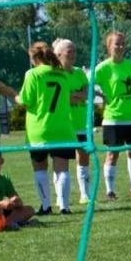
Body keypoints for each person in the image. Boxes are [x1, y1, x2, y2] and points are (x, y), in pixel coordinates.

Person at [17, 41, 76, 214]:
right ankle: (64, 207)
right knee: (62, 169)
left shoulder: (32, 74)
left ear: (34, 58)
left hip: (39, 129)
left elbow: (25, 101)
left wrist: (14, 97)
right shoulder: (63, 74)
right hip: (62, 128)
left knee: (40, 168)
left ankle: (45, 206)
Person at [94, 30, 131, 200]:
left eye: (122, 44)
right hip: (113, 119)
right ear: (109, 46)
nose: (120, 47)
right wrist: (101, 95)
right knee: (113, 154)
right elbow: (87, 85)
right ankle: (110, 191)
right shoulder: (103, 68)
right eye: (116, 44)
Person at [52, 38, 93, 203]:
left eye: (75, 51)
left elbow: (87, 94)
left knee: (83, 157)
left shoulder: (79, 73)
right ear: (59, 54)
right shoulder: (55, 74)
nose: (73, 54)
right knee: (61, 162)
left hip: (81, 123)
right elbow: (60, 98)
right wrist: (77, 95)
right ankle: (61, 198)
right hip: (63, 125)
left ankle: (85, 195)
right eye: (70, 51)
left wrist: (73, 95)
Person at [0, 151, 37, 228]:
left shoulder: (4, 179)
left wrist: (16, 202)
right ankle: (7, 223)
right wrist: (0, 204)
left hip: (0, 211)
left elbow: (18, 202)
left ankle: (6, 223)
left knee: (29, 210)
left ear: (1, 161)